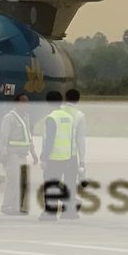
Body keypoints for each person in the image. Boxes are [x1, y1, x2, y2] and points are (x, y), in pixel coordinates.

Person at [38, 90, 80, 220]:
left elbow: (50, 140)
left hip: (54, 158)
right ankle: (70, 212)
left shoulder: (51, 118)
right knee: (68, 185)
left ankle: (50, 212)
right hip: (67, 157)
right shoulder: (69, 117)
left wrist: (44, 157)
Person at [0, 94, 37, 215]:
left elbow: (29, 137)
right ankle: (6, 206)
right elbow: (3, 137)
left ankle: (16, 207)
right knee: (13, 180)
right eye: (23, 102)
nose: (26, 104)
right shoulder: (9, 118)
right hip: (13, 154)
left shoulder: (26, 117)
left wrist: (33, 152)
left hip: (23, 154)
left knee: (21, 182)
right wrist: (3, 154)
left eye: (27, 102)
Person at [64, 88, 88, 177]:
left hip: (55, 155)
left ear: (65, 98)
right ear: (78, 100)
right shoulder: (79, 115)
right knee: (70, 182)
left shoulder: (57, 112)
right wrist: (82, 160)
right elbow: (80, 139)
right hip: (71, 155)